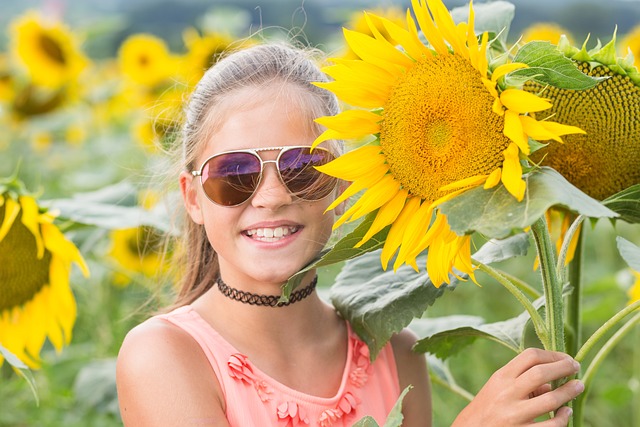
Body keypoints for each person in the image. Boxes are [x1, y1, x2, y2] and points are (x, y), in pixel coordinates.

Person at [116, 42, 584, 427]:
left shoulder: (395, 351)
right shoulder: (165, 356)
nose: (272, 197)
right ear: (193, 197)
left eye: (304, 168)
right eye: (234, 173)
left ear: (342, 185)